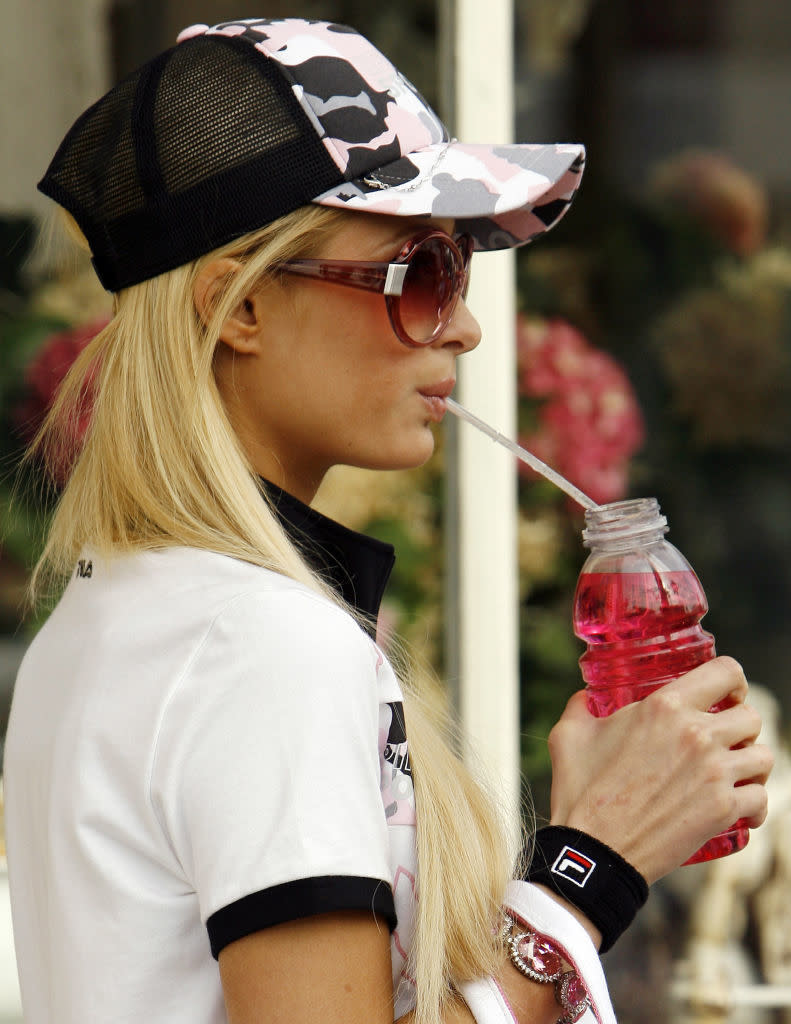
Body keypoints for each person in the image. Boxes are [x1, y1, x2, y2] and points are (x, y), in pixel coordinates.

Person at [3, 17, 772, 1024]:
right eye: (419, 271)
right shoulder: (260, 647)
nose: (464, 322)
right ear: (237, 306)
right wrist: (590, 871)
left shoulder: (113, 617)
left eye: (459, 266)